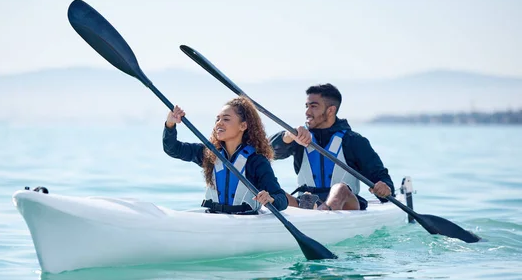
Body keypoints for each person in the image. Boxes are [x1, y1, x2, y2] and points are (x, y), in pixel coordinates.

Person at [269, 83, 393, 211]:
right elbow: (264, 152)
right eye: (307, 106)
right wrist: (289, 135)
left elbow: (382, 179)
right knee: (271, 191)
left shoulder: (353, 141)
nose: (307, 112)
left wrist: (385, 188)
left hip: (346, 204)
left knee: (340, 189)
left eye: (313, 106)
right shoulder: (299, 137)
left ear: (330, 110)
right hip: (307, 202)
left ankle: (325, 212)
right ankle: (319, 212)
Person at [163, 96, 288, 214]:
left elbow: (281, 198)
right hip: (213, 218)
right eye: (218, 119)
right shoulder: (209, 154)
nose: (219, 123)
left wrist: (271, 199)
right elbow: (172, 148)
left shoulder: (256, 161)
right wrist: (170, 125)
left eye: (226, 119)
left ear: (243, 125)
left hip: (245, 221)